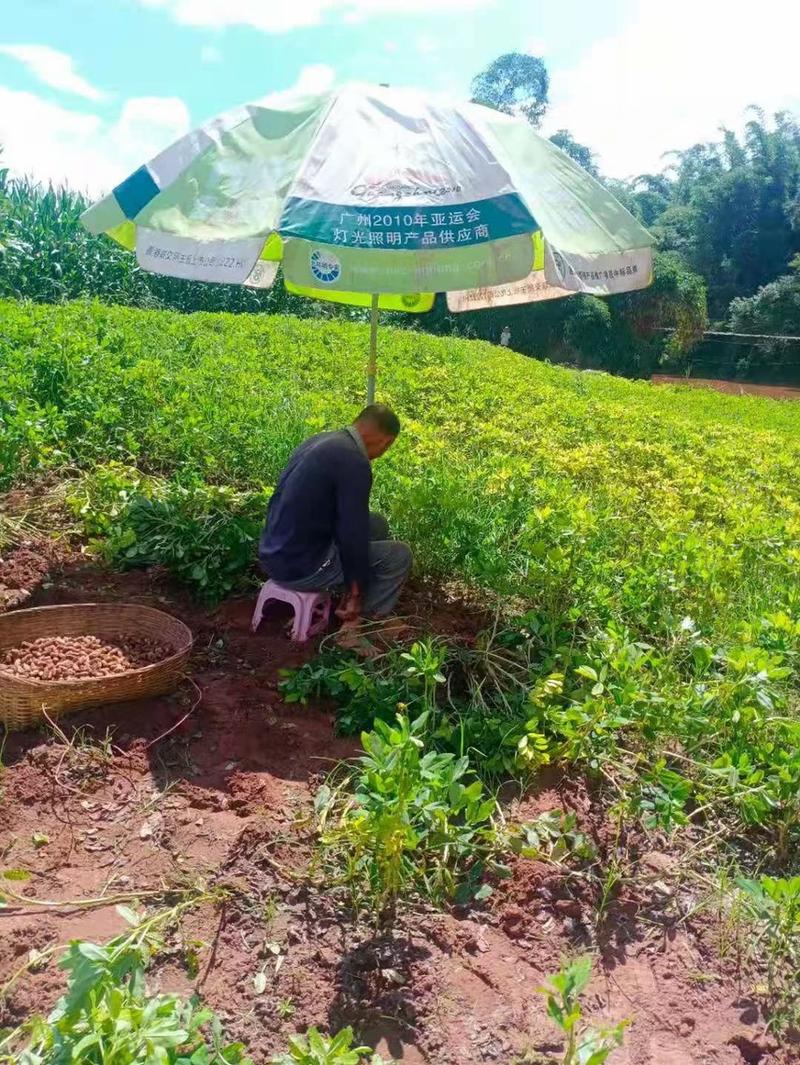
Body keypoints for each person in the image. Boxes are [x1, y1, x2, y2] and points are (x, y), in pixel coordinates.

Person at [258, 405, 412, 646]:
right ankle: (359, 624)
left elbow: (351, 522)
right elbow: (352, 533)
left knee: (377, 524)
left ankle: (344, 600)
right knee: (399, 555)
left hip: (275, 552)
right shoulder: (355, 463)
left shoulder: (323, 441)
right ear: (386, 442)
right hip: (301, 567)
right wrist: (356, 592)